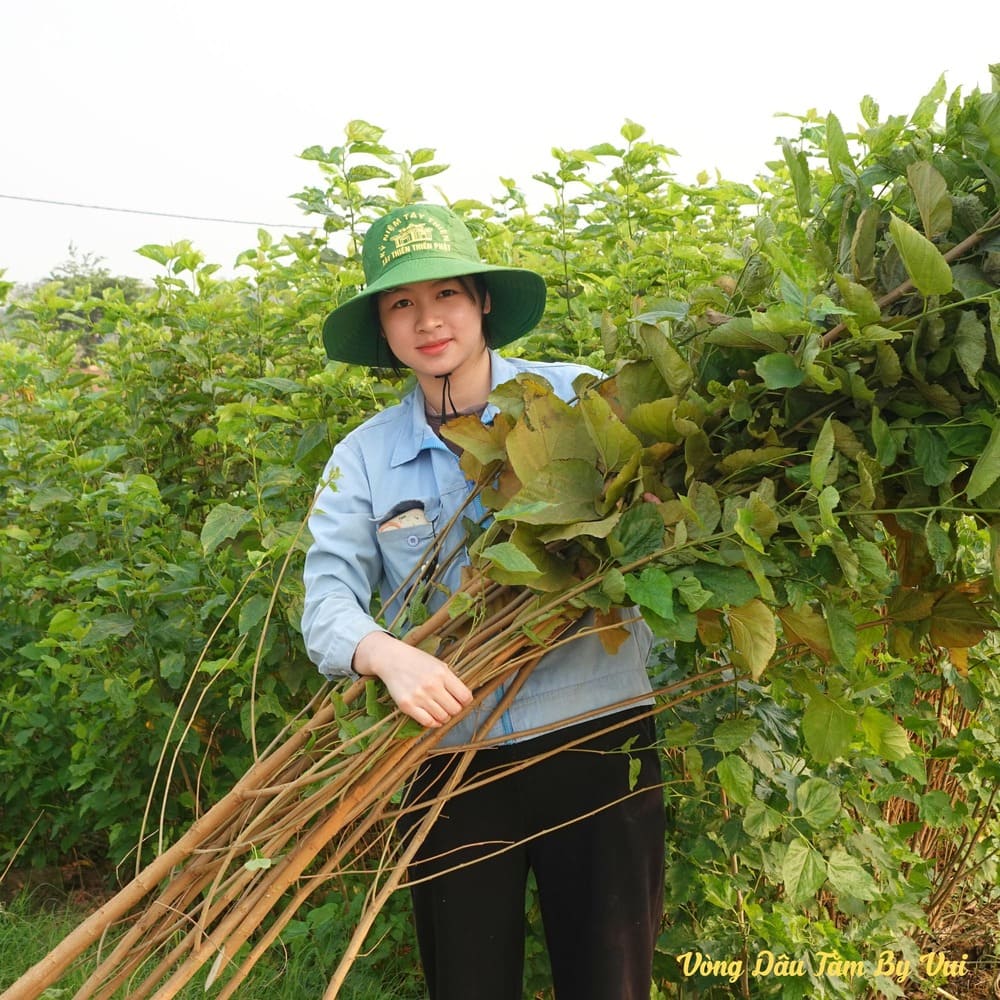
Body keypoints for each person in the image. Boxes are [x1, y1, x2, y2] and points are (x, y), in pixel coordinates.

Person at [301, 203, 665, 1000]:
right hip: (447, 760)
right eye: (402, 304)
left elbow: (660, 516)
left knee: (609, 980)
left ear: (483, 302)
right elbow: (326, 599)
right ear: (383, 327)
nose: (428, 321)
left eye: (447, 295)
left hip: (597, 739)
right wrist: (383, 654)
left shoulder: (574, 398)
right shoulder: (362, 458)